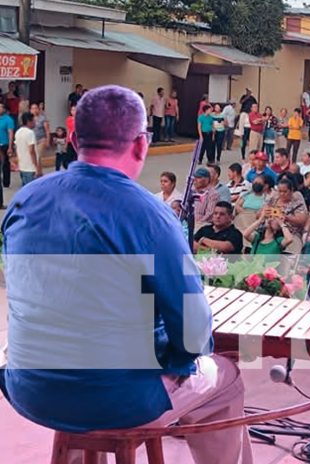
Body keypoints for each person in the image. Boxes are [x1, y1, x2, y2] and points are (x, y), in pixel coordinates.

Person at [0, 86, 251, 464]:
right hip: (121, 399)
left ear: (72, 140)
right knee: (226, 378)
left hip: (29, 388)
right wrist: (178, 361)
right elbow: (194, 331)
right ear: (140, 144)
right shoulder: (150, 215)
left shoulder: (24, 201)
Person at [15, 112, 41, 186]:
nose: (35, 122)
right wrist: (36, 166)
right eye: (34, 120)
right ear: (29, 121)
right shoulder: (30, 133)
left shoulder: (18, 132)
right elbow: (31, 150)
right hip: (30, 167)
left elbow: (17, 148)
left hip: (22, 166)